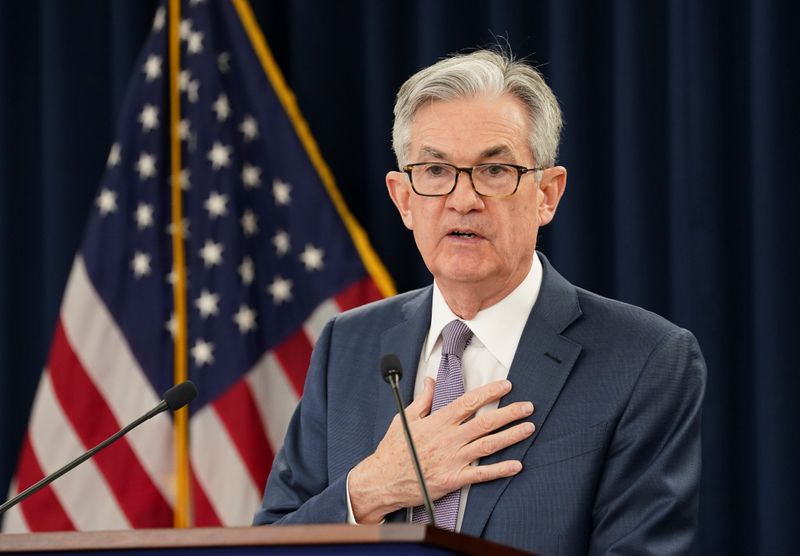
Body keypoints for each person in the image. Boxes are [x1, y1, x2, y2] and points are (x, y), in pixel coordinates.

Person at [254, 49, 706, 555]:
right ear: (404, 198)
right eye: (435, 170)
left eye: (494, 170)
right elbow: (272, 542)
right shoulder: (349, 343)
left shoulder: (644, 360)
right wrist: (368, 491)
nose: (462, 198)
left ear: (547, 195)